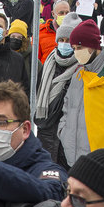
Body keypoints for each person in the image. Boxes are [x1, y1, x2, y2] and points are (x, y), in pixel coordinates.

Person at [59, 19, 104, 168]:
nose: (76, 52)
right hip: (72, 157)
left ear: (93, 46)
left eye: (80, 47)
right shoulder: (78, 74)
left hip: (101, 163)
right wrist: (63, 131)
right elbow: (67, 106)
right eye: (74, 48)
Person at [35, 13, 81, 165]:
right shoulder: (49, 63)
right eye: (61, 40)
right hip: (46, 132)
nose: (64, 44)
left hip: (71, 135)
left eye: (68, 40)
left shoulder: (83, 67)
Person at [8, 19, 42, 84]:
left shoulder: (32, 60)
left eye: (19, 37)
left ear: (24, 40)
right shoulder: (3, 56)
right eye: (13, 36)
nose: (15, 39)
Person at [37, 0, 70, 64]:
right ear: (53, 14)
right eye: (61, 13)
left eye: (67, 13)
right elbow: (35, 60)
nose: (64, 16)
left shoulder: (76, 32)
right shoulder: (41, 32)